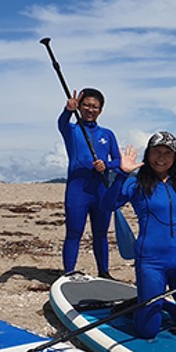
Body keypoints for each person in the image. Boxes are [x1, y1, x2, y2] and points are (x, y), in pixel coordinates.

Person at [103, 131, 176, 339]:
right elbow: (108, 205)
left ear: (175, 158)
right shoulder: (136, 183)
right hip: (151, 263)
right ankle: (144, 305)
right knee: (148, 331)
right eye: (156, 152)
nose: (161, 158)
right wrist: (121, 174)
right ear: (148, 154)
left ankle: (159, 302)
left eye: (167, 153)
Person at [58, 87, 121, 278]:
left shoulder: (107, 134)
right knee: (74, 232)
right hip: (78, 191)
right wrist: (67, 110)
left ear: (100, 110)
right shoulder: (72, 130)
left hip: (101, 190)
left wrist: (106, 165)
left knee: (101, 233)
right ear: (80, 106)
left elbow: (119, 161)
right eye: (86, 105)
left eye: (95, 106)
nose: (90, 109)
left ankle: (104, 272)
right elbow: (61, 123)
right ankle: (69, 272)